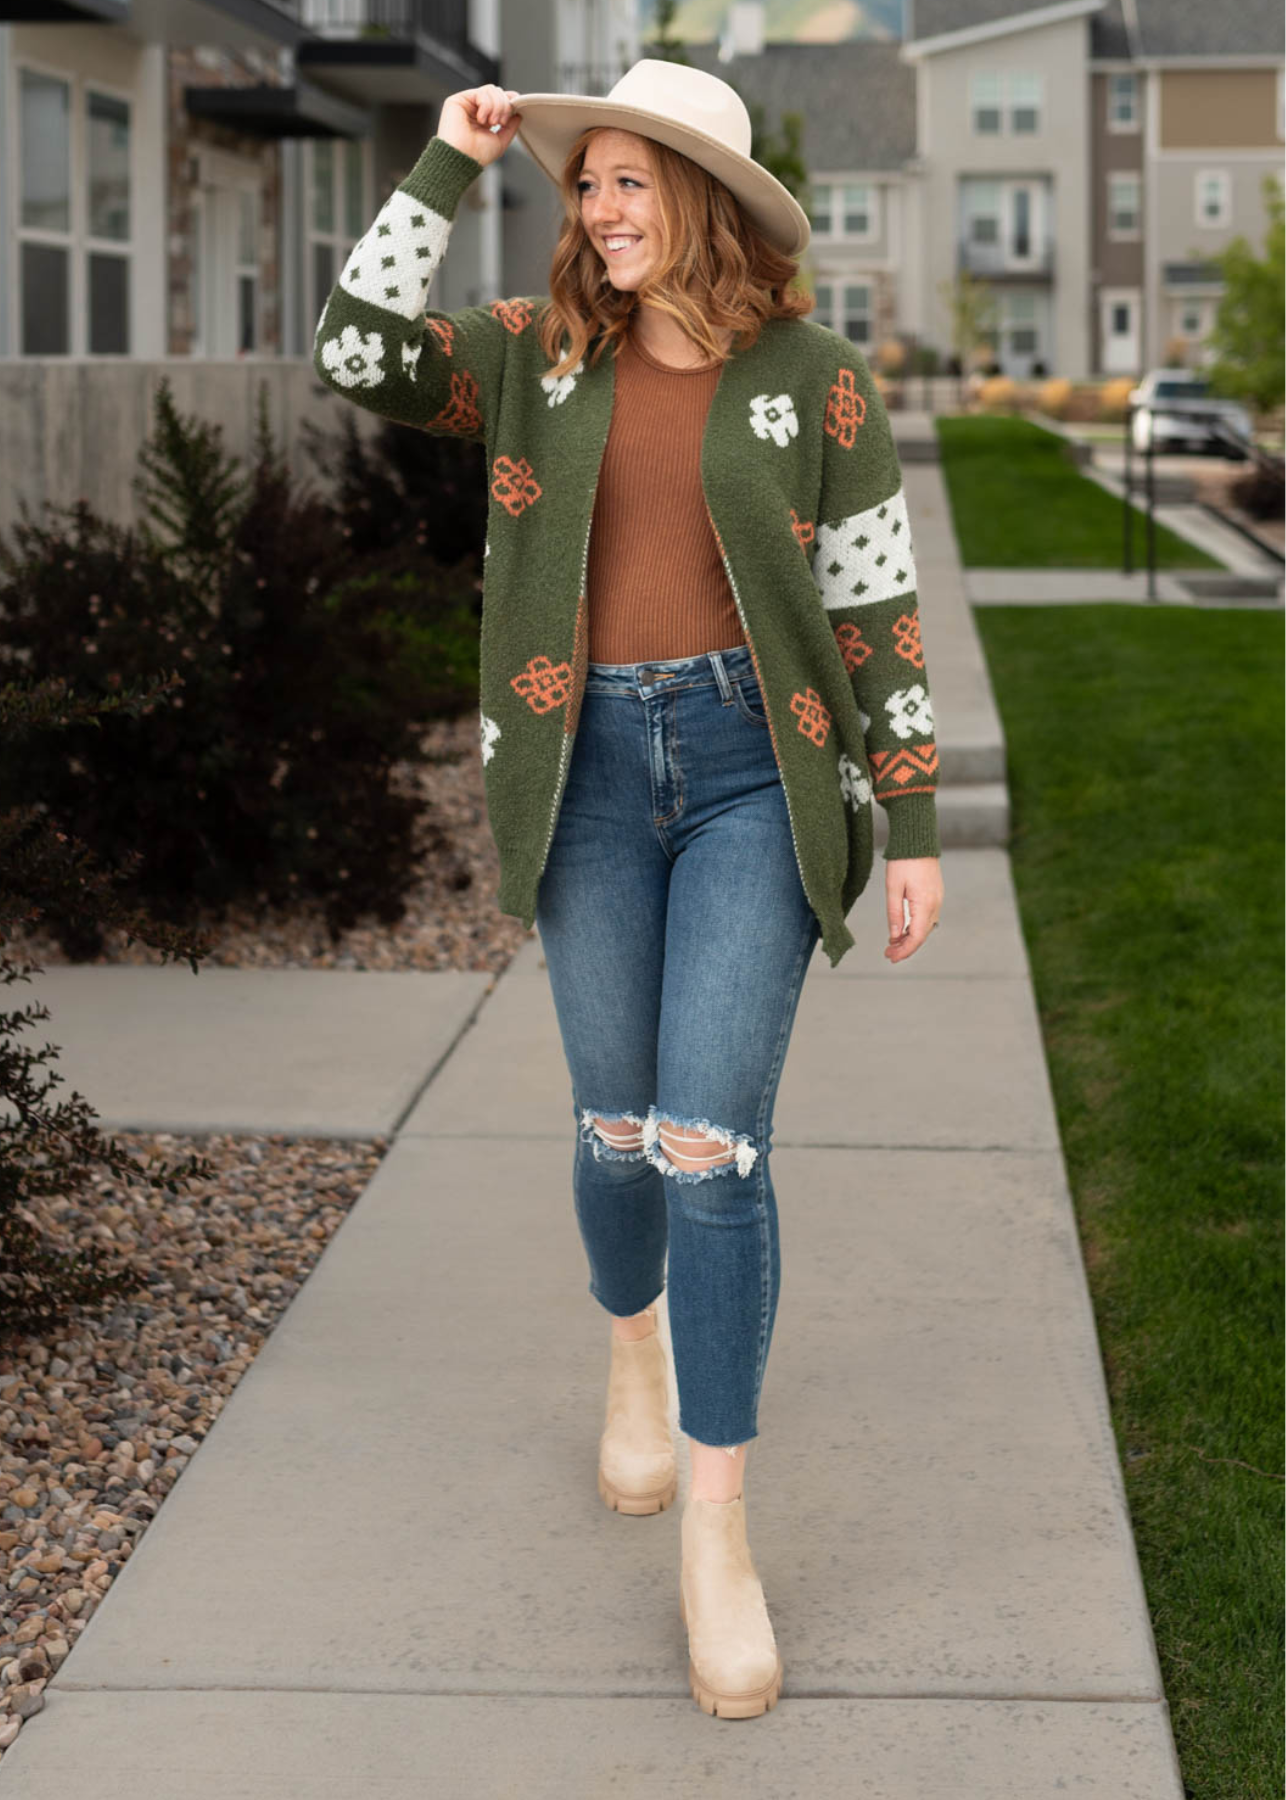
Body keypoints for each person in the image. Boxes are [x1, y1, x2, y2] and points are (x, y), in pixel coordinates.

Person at [313, 58, 944, 1721]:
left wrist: (917, 818)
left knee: (709, 1142)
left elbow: (875, 605)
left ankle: (717, 1540)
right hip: (581, 770)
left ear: (706, 200)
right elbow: (354, 352)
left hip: (753, 766)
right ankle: (631, 1346)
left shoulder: (813, 380)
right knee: (611, 1128)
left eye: (626, 180)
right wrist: (449, 167)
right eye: (584, 182)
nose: (596, 209)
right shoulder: (536, 357)